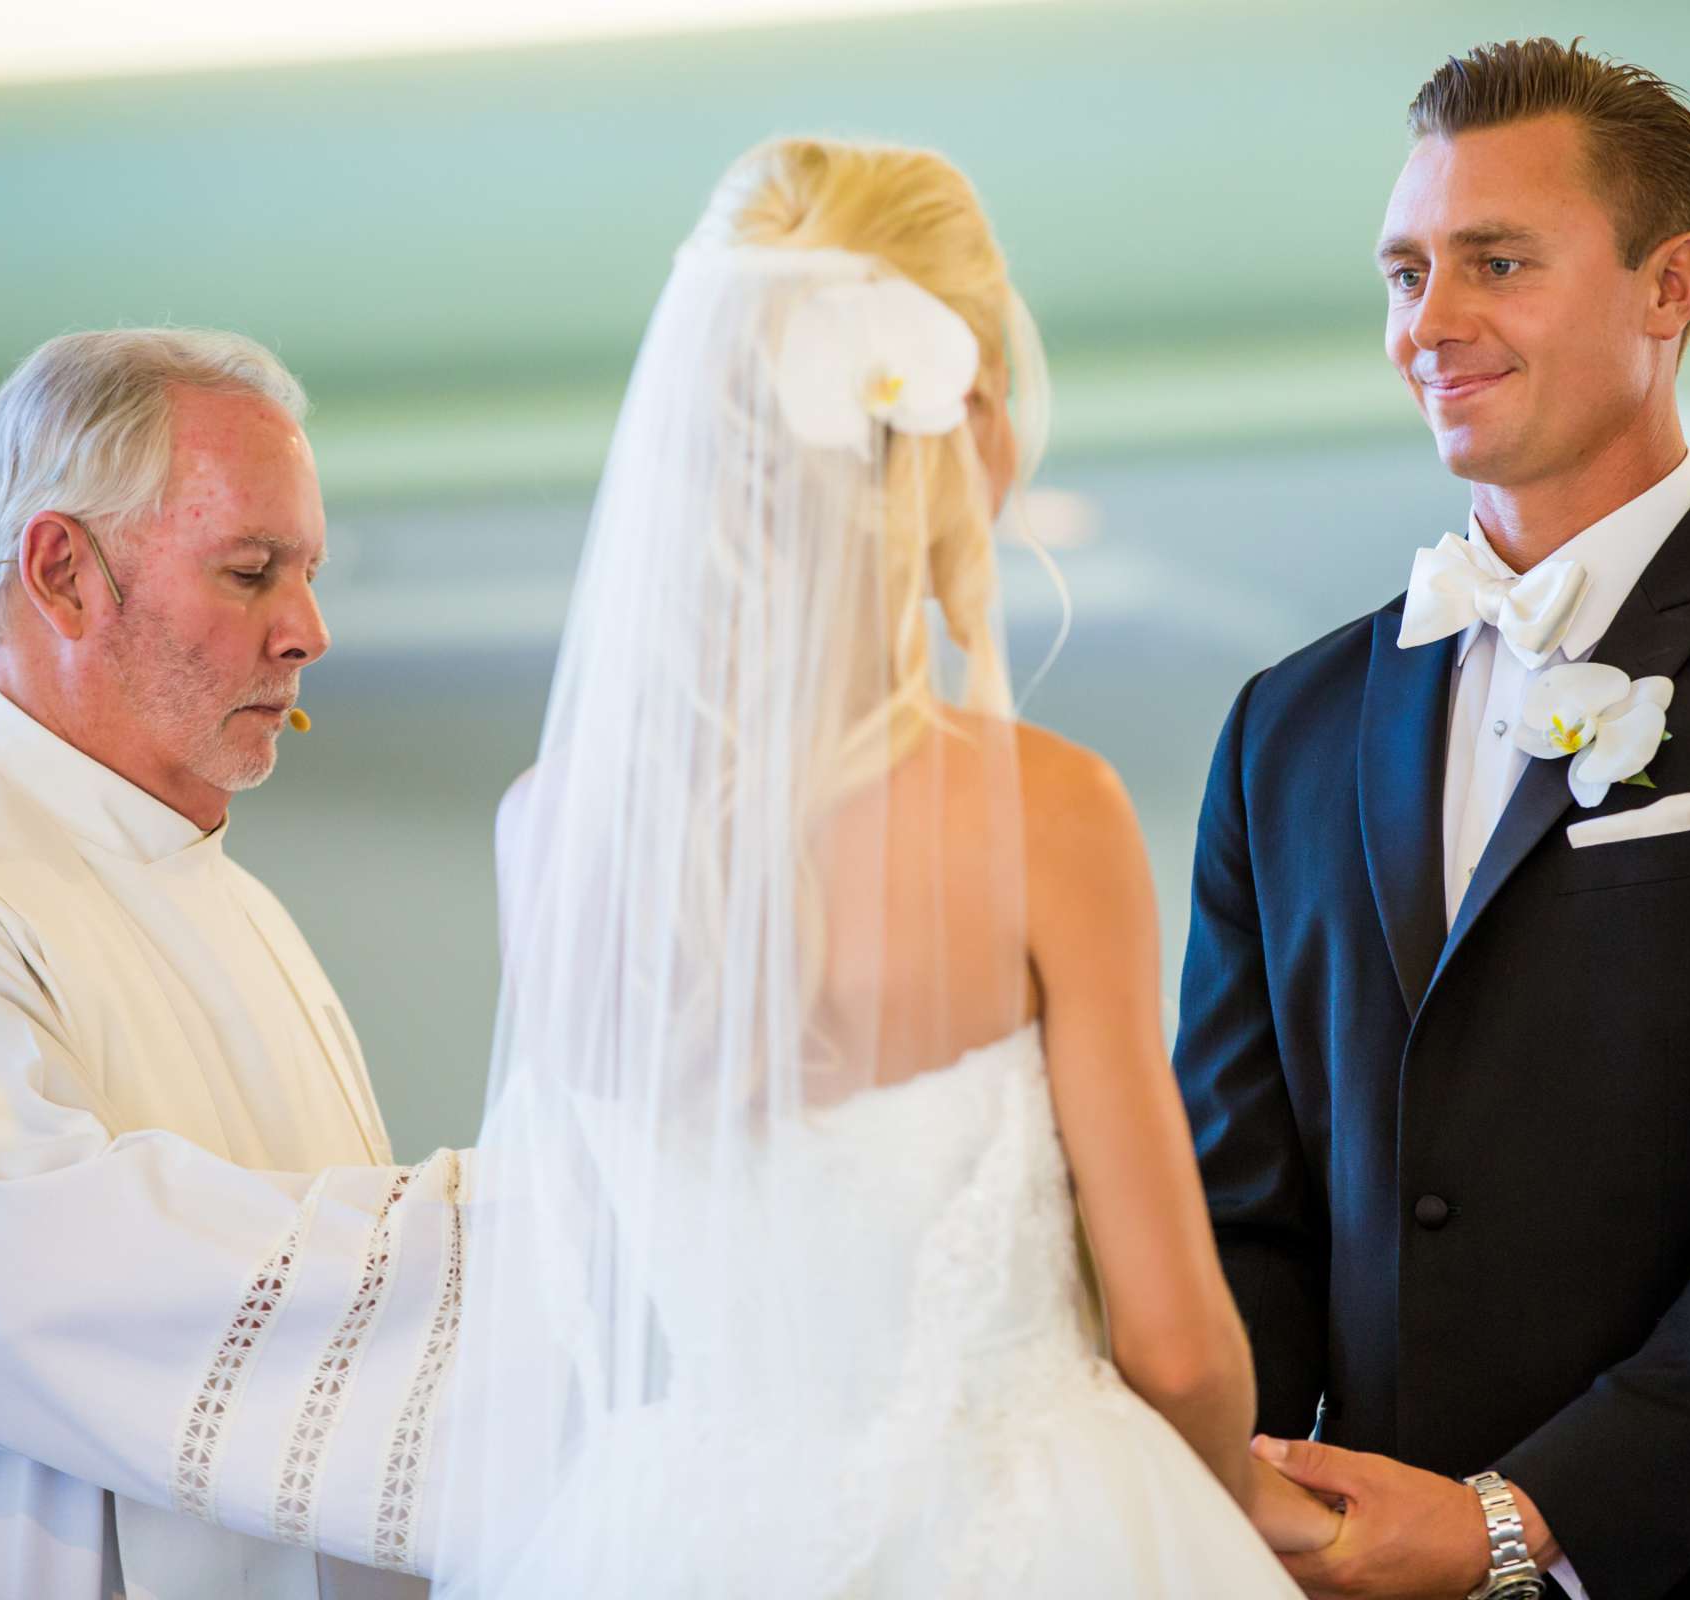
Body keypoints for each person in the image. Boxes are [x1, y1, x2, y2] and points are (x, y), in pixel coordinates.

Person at [433, 136, 1337, 1596]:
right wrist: (1235, 1497)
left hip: (674, 1538)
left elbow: (581, 1299)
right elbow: (1175, 1349)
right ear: (962, 412)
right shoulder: (1045, 812)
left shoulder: (547, 827)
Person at [1176, 39, 1690, 1599]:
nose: (1430, 322)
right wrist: (1216, 1499)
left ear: (1668, 286)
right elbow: (1247, 1209)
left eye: (1496, 262)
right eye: (1407, 270)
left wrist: (1512, 1524)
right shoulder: (1283, 729)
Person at [0, 330, 464, 1599]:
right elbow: (16, 1294)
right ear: (63, 571)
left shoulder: (253, 915)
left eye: (308, 574)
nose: (310, 630)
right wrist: (481, 1238)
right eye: (253, 570)